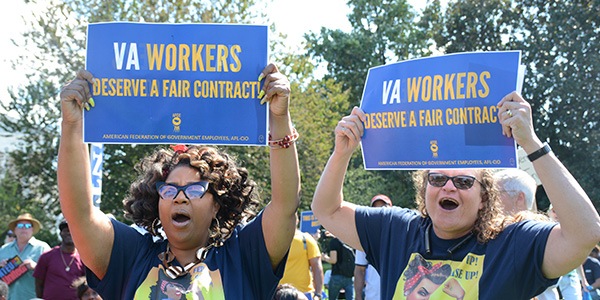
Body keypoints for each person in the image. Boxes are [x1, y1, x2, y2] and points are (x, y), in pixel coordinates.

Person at [311, 91, 600, 299]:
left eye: (463, 181)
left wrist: (531, 142)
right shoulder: (396, 230)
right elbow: (327, 211)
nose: (448, 188)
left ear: (484, 198)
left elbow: (585, 233)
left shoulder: (512, 244)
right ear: (425, 189)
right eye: (437, 179)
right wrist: (342, 152)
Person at [57, 63, 300, 299]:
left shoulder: (245, 256)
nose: (180, 197)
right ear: (156, 201)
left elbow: (285, 204)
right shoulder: (130, 256)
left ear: (216, 204)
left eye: (195, 190)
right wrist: (72, 124)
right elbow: (79, 214)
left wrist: (279, 118)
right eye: (169, 190)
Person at [0, 213, 51, 299]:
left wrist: (36, 267)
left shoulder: (43, 248)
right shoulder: (4, 249)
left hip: (33, 297)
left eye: (27, 226)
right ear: (15, 230)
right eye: (20, 225)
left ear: (32, 229)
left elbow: (54, 272)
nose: (24, 228)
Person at [33, 220, 85, 299]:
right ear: (61, 233)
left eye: (73, 230)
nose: (69, 233)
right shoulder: (47, 256)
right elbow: (38, 283)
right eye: (66, 230)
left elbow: (87, 285)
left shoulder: (84, 258)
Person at [354, 194, 392, 300]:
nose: (380, 212)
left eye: (383, 207)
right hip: (373, 296)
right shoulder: (365, 237)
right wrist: (358, 296)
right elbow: (359, 269)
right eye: (375, 209)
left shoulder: (401, 233)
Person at [280, 214, 324, 300]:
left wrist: (318, 294)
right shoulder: (272, 240)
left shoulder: (306, 239)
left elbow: (317, 267)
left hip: (303, 294)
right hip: (279, 294)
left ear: (297, 220)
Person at [322, 233, 355, 300]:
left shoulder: (334, 242)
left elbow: (333, 260)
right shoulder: (349, 241)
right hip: (349, 276)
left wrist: (324, 257)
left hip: (337, 275)